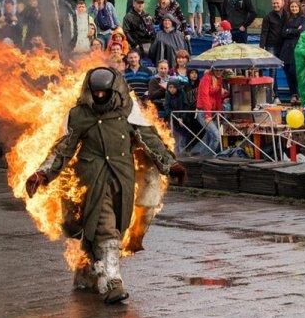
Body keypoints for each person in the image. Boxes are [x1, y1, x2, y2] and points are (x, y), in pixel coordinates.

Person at [25, 67, 185, 304]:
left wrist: (170, 164)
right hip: (92, 179)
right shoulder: (78, 114)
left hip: (122, 178)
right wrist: (43, 173)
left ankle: (88, 273)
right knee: (105, 227)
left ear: (113, 90)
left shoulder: (128, 110)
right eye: (95, 92)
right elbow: (63, 148)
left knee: (116, 228)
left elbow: (150, 139)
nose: (100, 97)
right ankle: (113, 282)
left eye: (104, 92)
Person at [260, 0, 288, 104]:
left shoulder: (287, 15)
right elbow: (264, 33)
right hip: (271, 46)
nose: (276, 5)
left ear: (283, 3)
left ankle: (295, 94)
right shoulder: (268, 17)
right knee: (273, 72)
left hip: (285, 46)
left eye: (277, 3)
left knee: (289, 70)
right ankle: (275, 96)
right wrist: (261, 48)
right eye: (274, 3)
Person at [281, 0, 305, 105]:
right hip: (285, 50)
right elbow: (283, 33)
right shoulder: (287, 18)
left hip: (296, 48)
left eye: (296, 6)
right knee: (287, 72)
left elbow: (302, 31)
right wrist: (294, 30)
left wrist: (289, 31)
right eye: (292, 7)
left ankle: (299, 93)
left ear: (299, 7)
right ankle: (292, 94)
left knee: (294, 72)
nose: (294, 8)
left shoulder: (303, 19)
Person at [196, 67, 224, 156]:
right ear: (213, 70)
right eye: (217, 70)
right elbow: (205, 97)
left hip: (213, 111)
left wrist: (219, 112)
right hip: (203, 112)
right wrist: (208, 115)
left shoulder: (219, 79)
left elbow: (218, 97)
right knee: (216, 136)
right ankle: (207, 158)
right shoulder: (206, 79)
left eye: (221, 70)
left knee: (209, 137)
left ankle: (203, 156)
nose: (219, 72)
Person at [164, 78, 190, 155]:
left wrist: (182, 118)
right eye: (170, 87)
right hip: (173, 120)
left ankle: (182, 156)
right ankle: (175, 156)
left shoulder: (182, 93)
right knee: (175, 140)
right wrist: (176, 117)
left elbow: (186, 106)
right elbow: (167, 108)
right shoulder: (167, 95)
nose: (172, 89)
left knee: (182, 139)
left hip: (183, 120)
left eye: (174, 87)